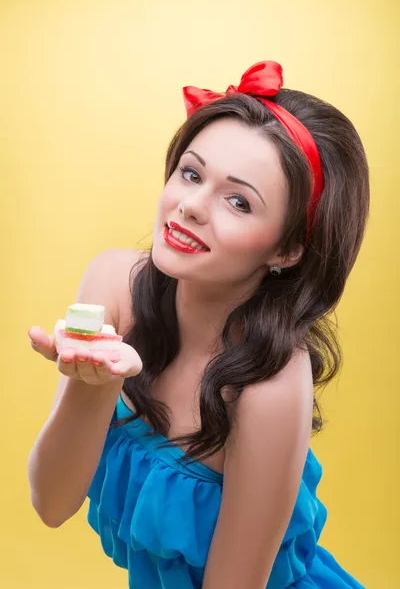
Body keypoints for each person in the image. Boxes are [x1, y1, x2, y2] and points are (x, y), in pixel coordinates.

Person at [28, 61, 369, 589]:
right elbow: (50, 503)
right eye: (191, 173)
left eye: (238, 201)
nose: (189, 206)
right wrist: (94, 388)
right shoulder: (114, 284)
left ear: (288, 249)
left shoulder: (270, 383)